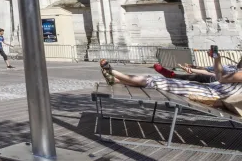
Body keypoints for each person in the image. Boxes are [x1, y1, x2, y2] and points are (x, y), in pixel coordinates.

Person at [100, 51, 242, 115]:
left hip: (210, 94)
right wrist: (214, 59)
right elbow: (219, 75)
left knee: (158, 81)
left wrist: (216, 58)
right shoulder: (237, 70)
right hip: (210, 90)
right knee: (160, 81)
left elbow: (221, 77)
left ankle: (114, 73)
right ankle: (116, 77)